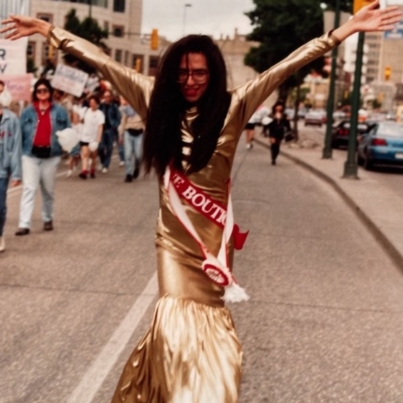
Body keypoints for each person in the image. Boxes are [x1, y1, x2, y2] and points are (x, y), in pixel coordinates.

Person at [2, 2, 400, 401]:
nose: (190, 80)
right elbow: (103, 62)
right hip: (174, 245)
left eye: (200, 73)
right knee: (175, 323)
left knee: (214, 339)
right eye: (183, 72)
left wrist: (341, 33)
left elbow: (285, 67)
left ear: (213, 74)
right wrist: (46, 30)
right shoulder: (152, 99)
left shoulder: (234, 106)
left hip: (214, 246)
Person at [14, 78, 71, 236]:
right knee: (29, 189)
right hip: (30, 155)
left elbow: (68, 132)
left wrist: (71, 150)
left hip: (51, 156)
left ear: (50, 92)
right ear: (35, 93)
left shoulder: (60, 111)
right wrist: (16, 155)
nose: (42, 93)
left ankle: (47, 218)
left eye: (45, 90)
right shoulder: (27, 112)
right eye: (39, 91)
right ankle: (24, 224)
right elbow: (19, 134)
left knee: (48, 190)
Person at [0, 86, 21, 252]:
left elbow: (16, 148)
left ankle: (0, 234)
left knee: (0, 206)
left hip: (2, 170)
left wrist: (16, 173)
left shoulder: (12, 119)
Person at [119, 97, 144, 182]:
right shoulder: (127, 109)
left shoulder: (142, 110)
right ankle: (129, 174)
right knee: (128, 154)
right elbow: (123, 121)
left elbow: (145, 122)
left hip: (139, 134)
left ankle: (137, 167)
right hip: (128, 132)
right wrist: (121, 134)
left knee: (138, 155)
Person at [78, 94, 104, 179]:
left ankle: (92, 169)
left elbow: (100, 126)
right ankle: (84, 171)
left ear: (97, 103)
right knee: (85, 154)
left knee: (93, 156)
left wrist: (98, 138)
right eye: (90, 102)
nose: (92, 104)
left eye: (93, 102)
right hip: (85, 136)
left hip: (94, 138)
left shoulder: (100, 114)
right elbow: (81, 121)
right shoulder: (85, 111)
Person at [98, 89, 121, 173]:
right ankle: (103, 161)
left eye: (108, 96)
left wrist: (115, 125)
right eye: (105, 96)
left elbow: (118, 118)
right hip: (102, 129)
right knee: (100, 147)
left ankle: (106, 165)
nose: (106, 98)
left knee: (109, 148)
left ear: (110, 97)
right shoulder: (101, 106)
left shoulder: (114, 106)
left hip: (110, 129)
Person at [266, 101, 291, 165]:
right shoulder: (271, 114)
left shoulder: (284, 115)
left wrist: (287, 120)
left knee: (277, 145)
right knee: (273, 144)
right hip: (272, 131)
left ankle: (275, 156)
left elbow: (287, 124)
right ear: (275, 107)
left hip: (280, 132)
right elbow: (266, 123)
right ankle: (273, 158)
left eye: (280, 106)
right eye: (278, 106)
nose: (279, 107)